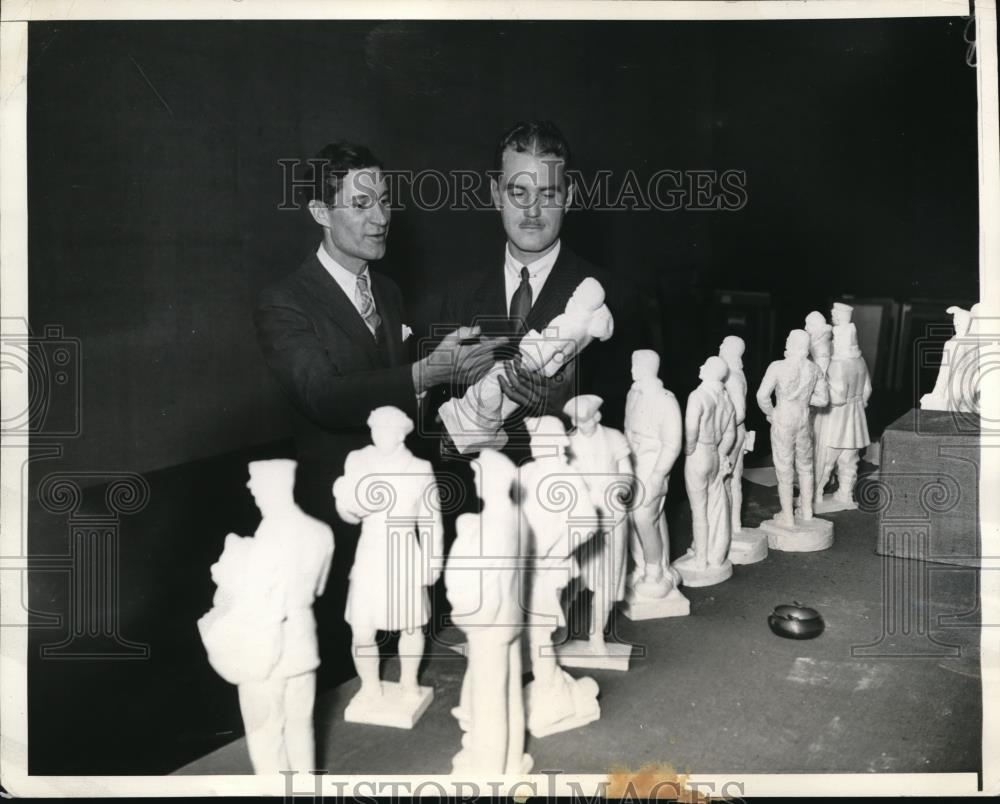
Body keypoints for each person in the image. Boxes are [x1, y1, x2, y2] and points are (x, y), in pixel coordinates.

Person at [254, 142, 500, 675]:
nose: (381, 217)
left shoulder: (385, 290)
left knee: (406, 660)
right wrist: (424, 371)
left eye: (384, 201)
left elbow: (394, 396)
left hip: (402, 519)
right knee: (353, 670)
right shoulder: (284, 301)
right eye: (361, 203)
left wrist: (450, 378)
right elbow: (323, 395)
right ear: (320, 212)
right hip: (339, 525)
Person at [436, 121, 638, 460]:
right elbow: (437, 434)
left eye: (547, 194)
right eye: (518, 192)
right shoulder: (458, 296)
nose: (532, 210)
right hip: (482, 503)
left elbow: (635, 434)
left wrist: (567, 409)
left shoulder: (616, 297)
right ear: (495, 194)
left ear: (569, 197)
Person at [198, 459, 334, 774]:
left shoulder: (265, 537)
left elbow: (243, 593)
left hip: (263, 649)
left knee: (266, 736)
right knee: (301, 728)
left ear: (272, 488)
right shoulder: (320, 532)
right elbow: (318, 589)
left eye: (255, 484)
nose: (251, 489)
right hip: (302, 644)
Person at [332, 406, 443, 714]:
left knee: (411, 625)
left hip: (405, 552)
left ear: (400, 433)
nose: (378, 434)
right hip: (370, 552)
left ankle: (409, 682)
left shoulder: (419, 468)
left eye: (385, 429)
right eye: (374, 428)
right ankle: (369, 686)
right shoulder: (358, 460)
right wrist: (347, 504)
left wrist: (432, 563)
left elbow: (432, 520)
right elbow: (348, 515)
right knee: (361, 627)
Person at [755, 330, 830, 527]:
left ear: (792, 344)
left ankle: (787, 516)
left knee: (784, 468)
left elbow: (762, 396)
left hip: (783, 418)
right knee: (806, 467)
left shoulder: (777, 367)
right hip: (803, 418)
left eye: (788, 339)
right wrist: (804, 400)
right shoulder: (814, 369)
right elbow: (823, 400)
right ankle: (807, 512)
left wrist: (771, 413)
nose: (786, 341)